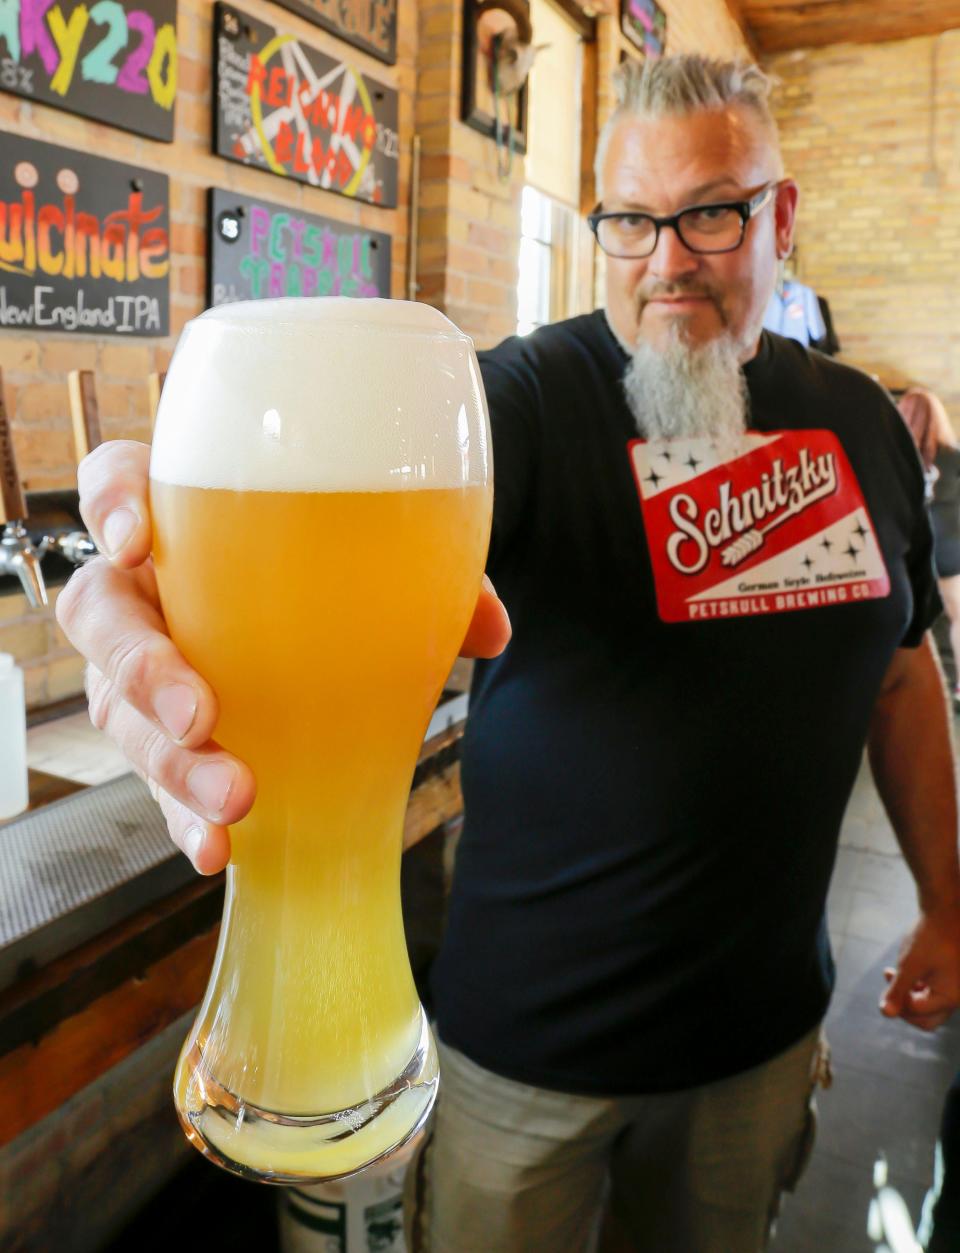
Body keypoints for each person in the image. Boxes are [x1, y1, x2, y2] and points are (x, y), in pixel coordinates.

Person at [57, 55, 960, 1253]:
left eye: (709, 211)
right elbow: (348, 519)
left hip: (764, 1035)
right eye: (630, 221)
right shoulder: (525, 401)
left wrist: (947, 904)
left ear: (780, 215)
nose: (665, 259)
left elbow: (903, 673)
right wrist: (162, 574)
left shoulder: (863, 423)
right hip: (530, 1048)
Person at [897, 386, 960, 697]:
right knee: (957, 617)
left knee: (914, 622)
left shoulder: (896, 456)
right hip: (950, 545)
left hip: (909, 547)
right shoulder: (953, 455)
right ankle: (956, 688)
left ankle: (922, 691)